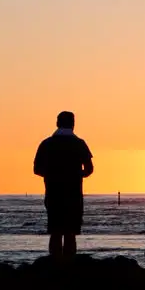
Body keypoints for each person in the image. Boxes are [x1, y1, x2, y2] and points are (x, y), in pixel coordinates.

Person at [33, 111, 94, 260]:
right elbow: (89, 169)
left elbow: (36, 169)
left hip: (53, 194)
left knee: (55, 231)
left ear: (57, 123)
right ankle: (69, 267)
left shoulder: (46, 143)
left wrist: (51, 175)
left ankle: (54, 267)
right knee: (70, 232)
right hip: (73, 195)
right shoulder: (79, 144)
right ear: (73, 124)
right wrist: (77, 175)